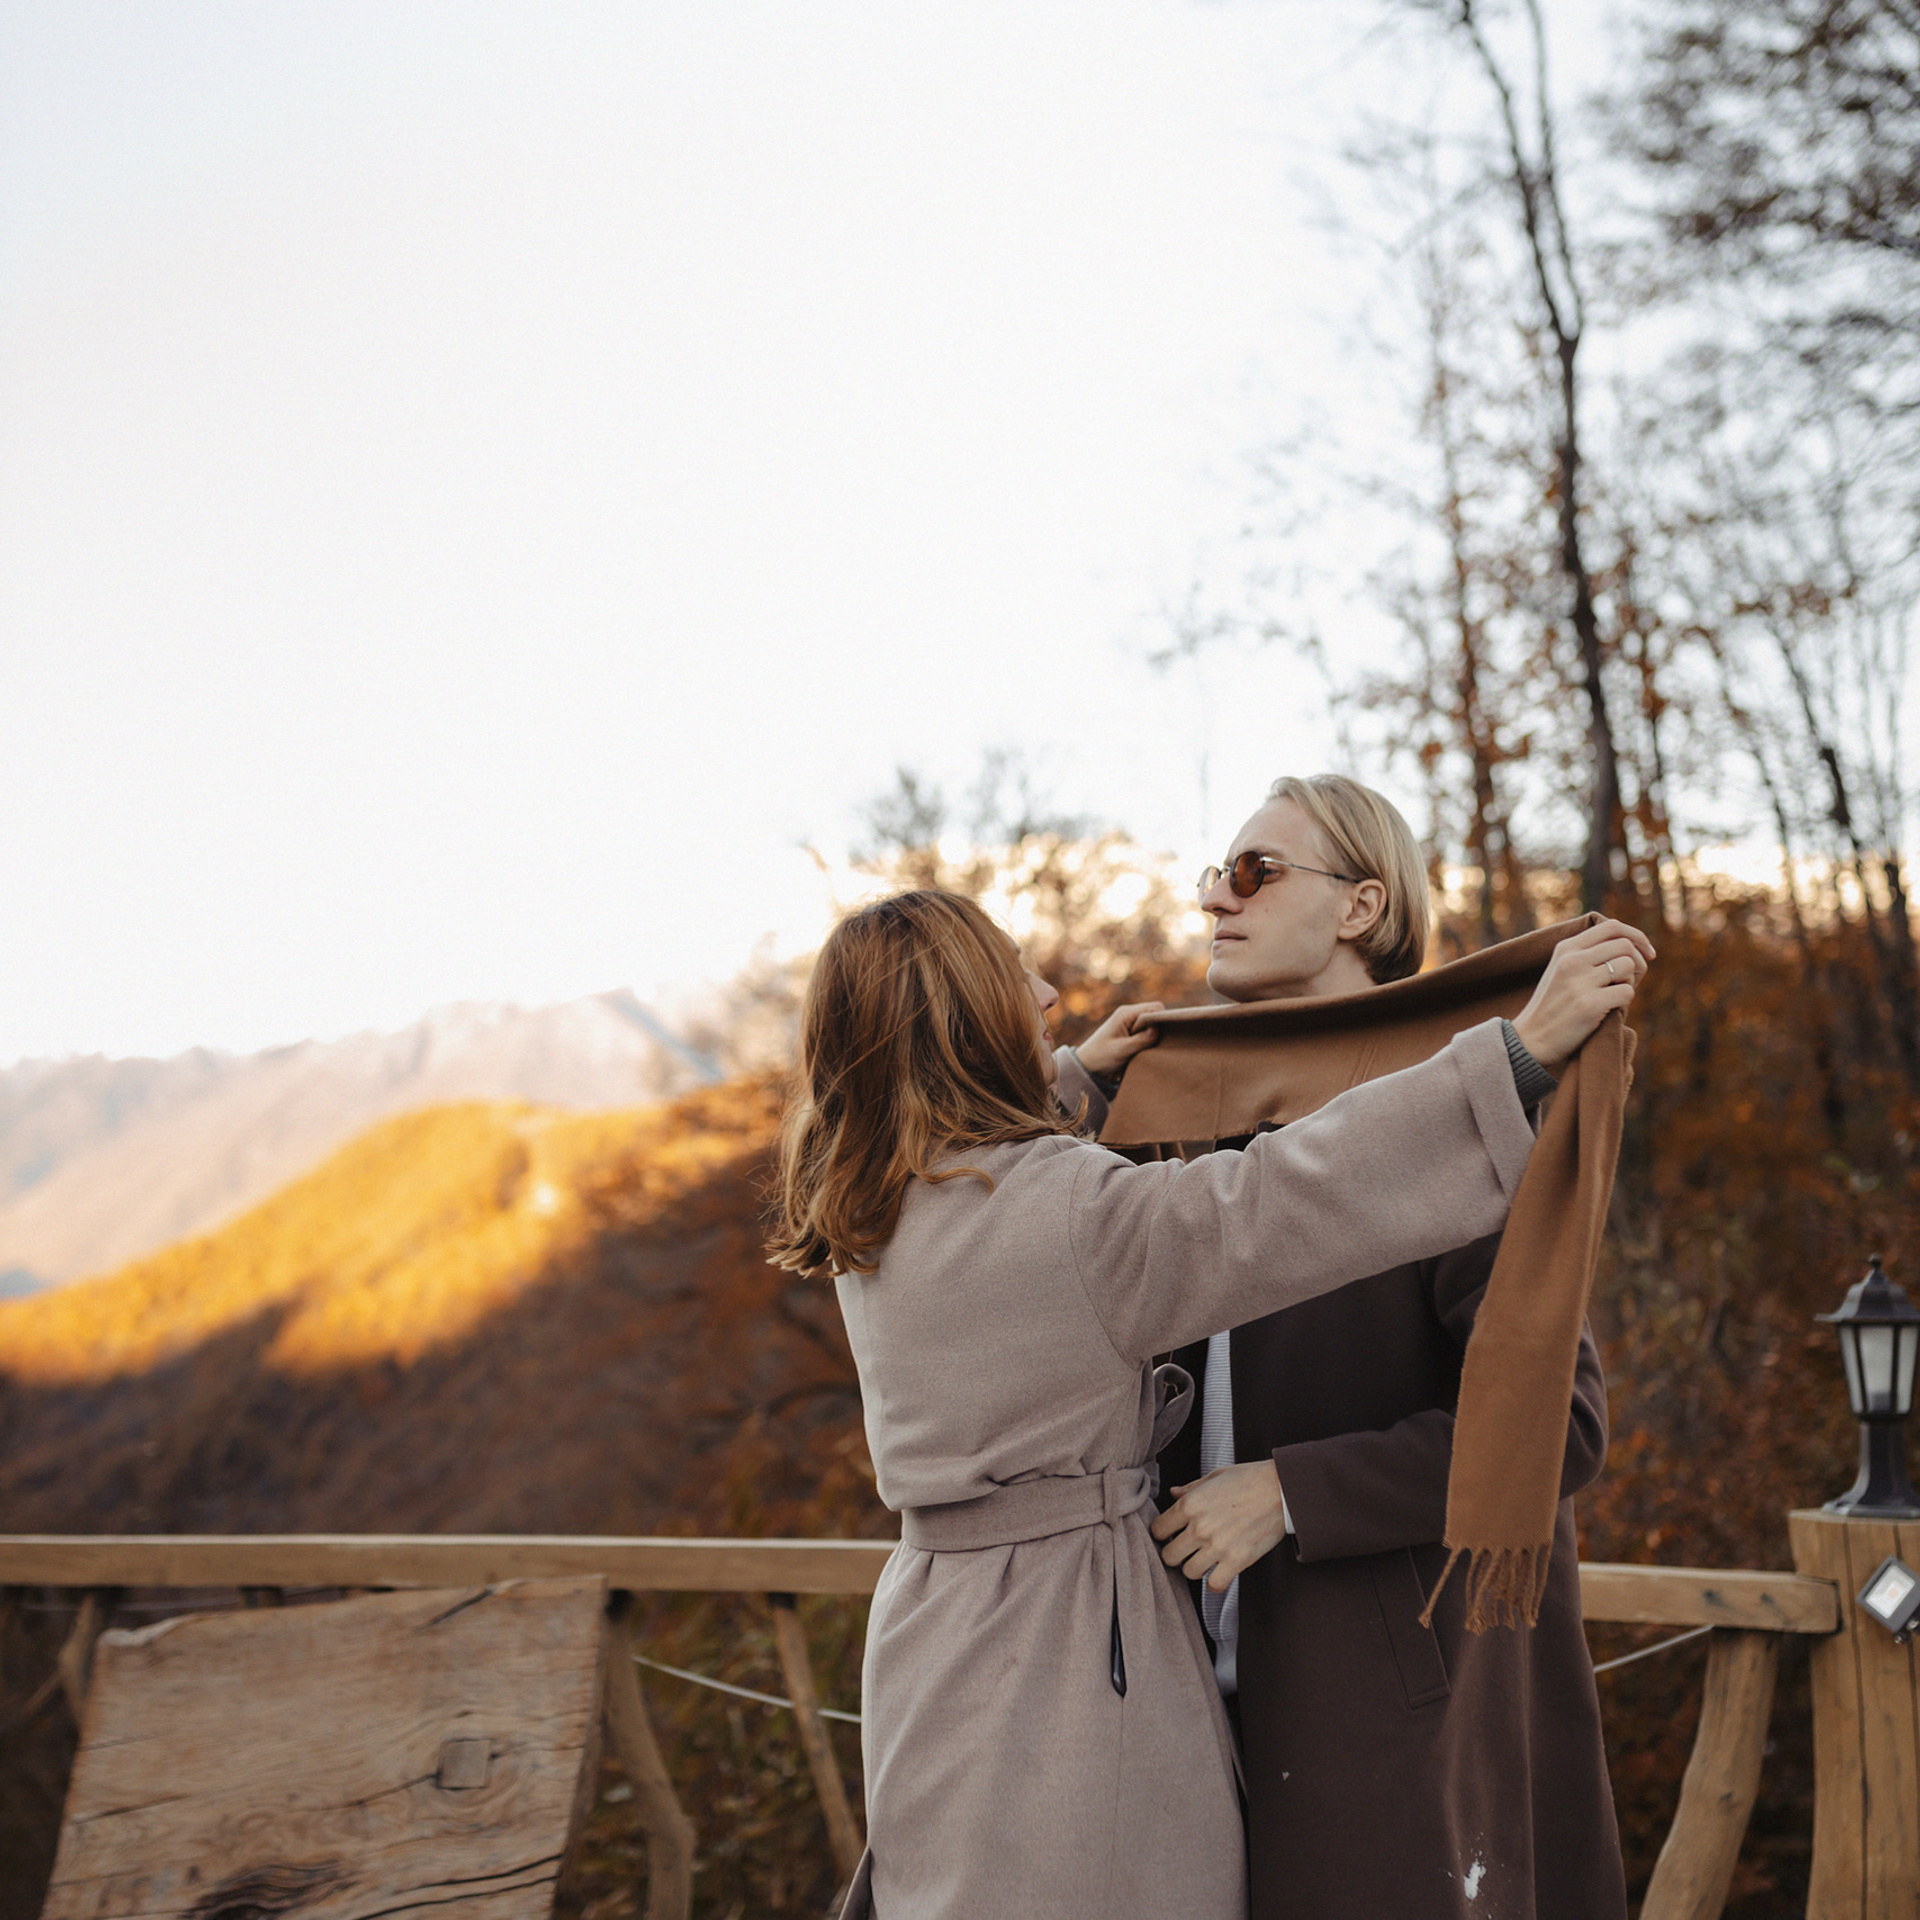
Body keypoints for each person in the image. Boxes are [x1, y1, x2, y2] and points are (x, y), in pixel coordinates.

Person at [769, 883, 1648, 1920]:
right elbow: (1288, 1193)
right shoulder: (1070, 1216)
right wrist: (1513, 1058)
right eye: (1016, 976)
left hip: (937, 1640)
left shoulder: (874, 1201)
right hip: (1070, 1656)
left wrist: (1074, 1079)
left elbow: (998, 1180)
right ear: (966, 1021)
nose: (1047, 994)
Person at [1067, 773, 1632, 1920]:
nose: (1217, 900)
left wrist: (1291, 1492)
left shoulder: (1458, 1124)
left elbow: (1558, 1429)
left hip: (1384, 1723)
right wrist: (1074, 1089)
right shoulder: (1182, 1122)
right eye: (1215, 875)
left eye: (1256, 872)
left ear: (1361, 908)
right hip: (1175, 1704)